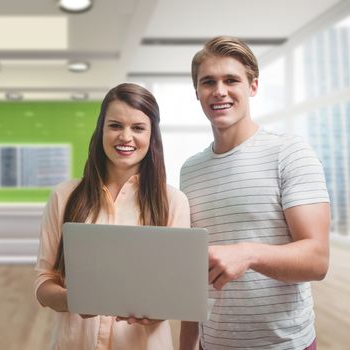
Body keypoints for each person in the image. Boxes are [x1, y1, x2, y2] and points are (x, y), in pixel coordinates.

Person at [179, 36, 330, 350]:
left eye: (231, 80)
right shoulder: (190, 170)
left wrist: (247, 254)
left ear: (253, 86)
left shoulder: (288, 152)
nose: (219, 90)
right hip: (214, 344)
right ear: (197, 93)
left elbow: (317, 259)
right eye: (208, 82)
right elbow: (193, 272)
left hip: (285, 344)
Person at [35, 83, 191, 350]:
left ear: (152, 136)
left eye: (138, 128)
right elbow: (43, 283)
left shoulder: (173, 202)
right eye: (115, 125)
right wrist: (74, 300)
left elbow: (177, 293)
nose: (125, 137)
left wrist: (156, 309)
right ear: (101, 130)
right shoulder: (63, 196)